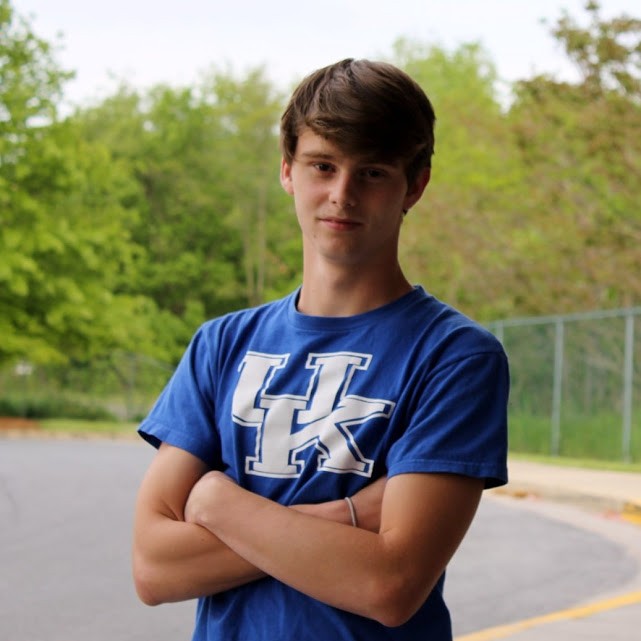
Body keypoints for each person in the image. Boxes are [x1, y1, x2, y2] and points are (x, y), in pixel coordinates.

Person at [132, 58, 509, 640]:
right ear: (288, 170)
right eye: (322, 166)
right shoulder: (221, 345)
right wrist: (350, 517)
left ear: (416, 183)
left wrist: (217, 504)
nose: (342, 194)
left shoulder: (455, 356)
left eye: (373, 173)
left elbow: (389, 586)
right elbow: (154, 567)